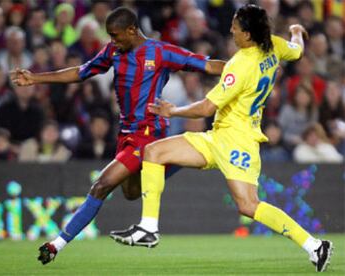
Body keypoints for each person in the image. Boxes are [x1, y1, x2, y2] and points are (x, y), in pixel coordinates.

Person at [110, 4, 333, 273]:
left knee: (249, 205)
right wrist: (296, 32)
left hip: (236, 141)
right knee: (154, 153)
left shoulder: (240, 64)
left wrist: (174, 110)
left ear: (248, 34)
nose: (231, 30)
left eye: (236, 27)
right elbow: (296, 51)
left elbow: (206, 108)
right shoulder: (273, 45)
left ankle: (314, 245)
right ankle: (148, 228)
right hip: (221, 137)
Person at [10, 7, 225, 265]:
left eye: (115, 35)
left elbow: (209, 65)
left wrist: (246, 70)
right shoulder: (114, 51)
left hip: (149, 132)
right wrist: (36, 78)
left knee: (101, 184)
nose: (112, 41)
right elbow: (81, 72)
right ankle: (177, 159)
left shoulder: (160, 51)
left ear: (132, 30)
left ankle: (56, 245)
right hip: (125, 134)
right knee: (132, 192)